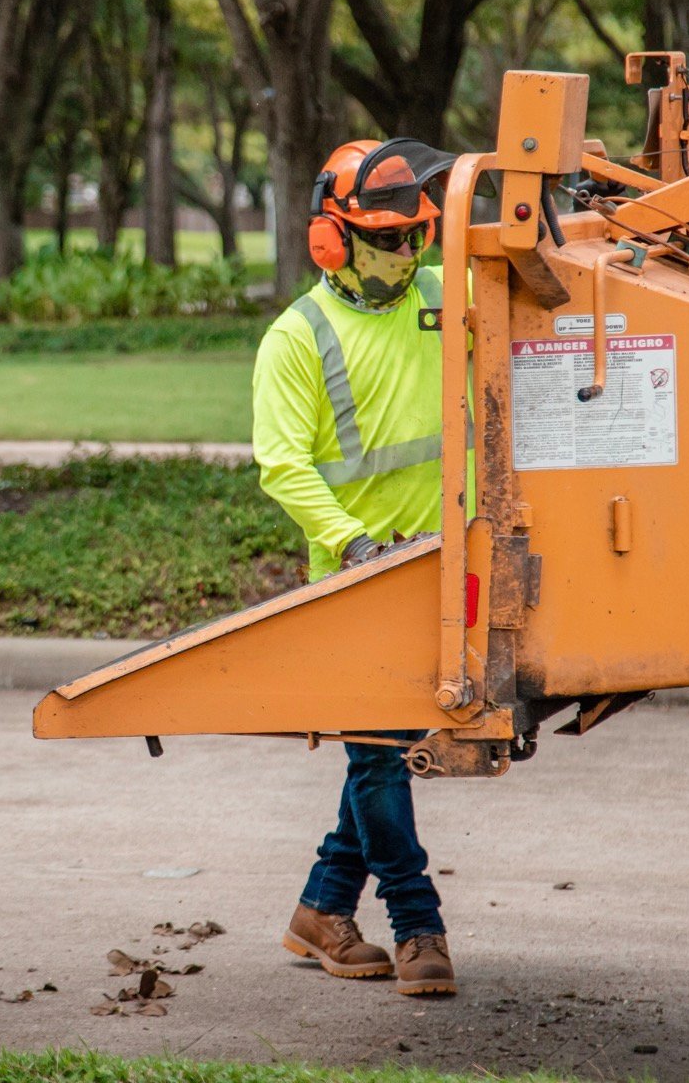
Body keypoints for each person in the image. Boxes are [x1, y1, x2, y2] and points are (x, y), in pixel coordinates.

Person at [251, 138, 471, 997]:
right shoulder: (297, 337)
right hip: (358, 577)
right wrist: (352, 542)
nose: (406, 254)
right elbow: (283, 464)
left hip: (444, 567)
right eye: (386, 240)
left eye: (416, 235)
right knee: (380, 759)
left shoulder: (443, 299)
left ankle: (321, 912)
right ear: (332, 239)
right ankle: (418, 924)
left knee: (383, 750)